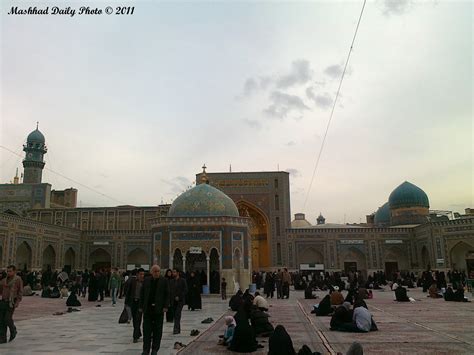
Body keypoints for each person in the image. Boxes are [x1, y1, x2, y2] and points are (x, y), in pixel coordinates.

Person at [139, 265, 169, 355]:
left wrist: (165, 306)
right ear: (151, 272)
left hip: (158, 309)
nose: (157, 273)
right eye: (155, 271)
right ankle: (145, 350)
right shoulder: (147, 280)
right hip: (148, 309)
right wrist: (141, 306)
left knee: (157, 330)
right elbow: (142, 294)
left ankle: (155, 349)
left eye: (158, 271)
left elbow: (167, 294)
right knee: (146, 330)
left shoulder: (164, 281)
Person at [0, 265, 23, 343]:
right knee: (1, 320)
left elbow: (20, 291)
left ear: (14, 271)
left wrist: (17, 302)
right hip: (3, 302)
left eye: (10, 271)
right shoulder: (4, 280)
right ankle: (2, 338)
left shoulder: (18, 279)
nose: (8, 273)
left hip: (11, 302)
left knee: (7, 318)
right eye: (7, 271)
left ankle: (13, 330)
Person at [125, 268, 145, 343]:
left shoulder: (145, 282)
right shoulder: (133, 282)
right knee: (135, 320)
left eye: (143, 274)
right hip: (133, 302)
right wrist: (127, 302)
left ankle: (135, 336)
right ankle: (138, 333)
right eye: (140, 274)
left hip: (140, 303)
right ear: (137, 274)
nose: (142, 276)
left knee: (138, 319)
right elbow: (128, 291)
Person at [169, 269, 187, 334]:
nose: (173, 273)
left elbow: (185, 290)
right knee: (175, 315)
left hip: (180, 301)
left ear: (178, 273)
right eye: (172, 272)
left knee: (177, 314)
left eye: (174, 272)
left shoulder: (182, 281)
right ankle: (178, 329)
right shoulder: (171, 281)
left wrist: (179, 297)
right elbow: (170, 291)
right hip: (173, 301)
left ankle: (176, 329)